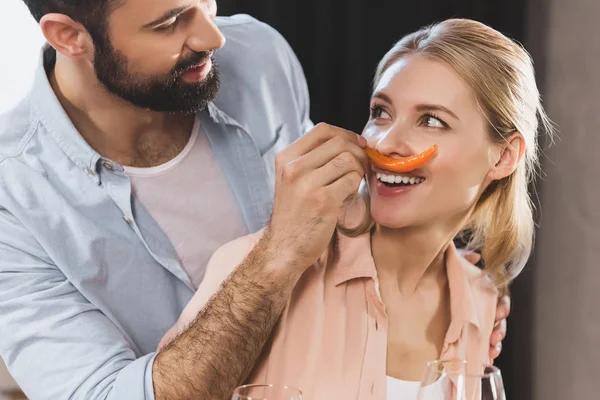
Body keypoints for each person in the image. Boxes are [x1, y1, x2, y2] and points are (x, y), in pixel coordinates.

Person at [0, 0, 508, 397]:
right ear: (69, 37)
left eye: (206, 3)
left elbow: (351, 202)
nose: (211, 36)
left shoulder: (257, 58)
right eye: (171, 21)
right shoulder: (13, 198)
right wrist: (276, 257)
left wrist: (453, 281)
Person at [161, 18, 550, 399]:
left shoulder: (482, 302)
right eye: (381, 112)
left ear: (503, 156)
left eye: (431, 121)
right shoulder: (256, 270)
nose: (386, 143)